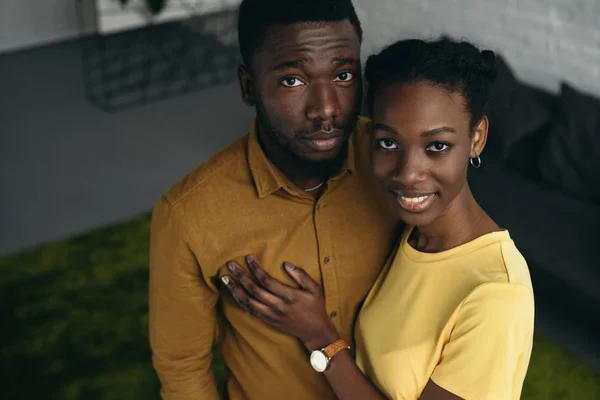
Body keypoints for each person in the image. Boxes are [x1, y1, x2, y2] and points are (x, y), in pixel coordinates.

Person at [221, 38, 535, 400]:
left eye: (437, 146)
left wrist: (321, 338)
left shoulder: (495, 295)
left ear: (476, 137)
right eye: (388, 143)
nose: (407, 173)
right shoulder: (414, 235)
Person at [148, 0, 400, 398]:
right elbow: (182, 368)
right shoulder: (188, 214)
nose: (326, 109)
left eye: (344, 74)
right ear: (248, 87)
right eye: (292, 81)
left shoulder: (396, 164)